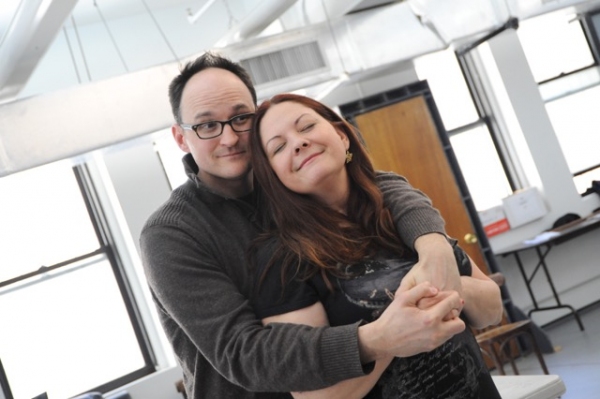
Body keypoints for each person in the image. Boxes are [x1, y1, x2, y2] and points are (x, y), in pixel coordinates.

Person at [139, 52, 466, 399]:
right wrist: (379, 338)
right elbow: (243, 354)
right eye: (207, 125)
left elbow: (373, 184)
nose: (230, 138)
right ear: (180, 137)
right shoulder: (170, 235)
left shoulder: (288, 183)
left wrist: (432, 240)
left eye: (240, 118)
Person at [249, 93, 504, 398]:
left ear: (342, 136)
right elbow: (313, 395)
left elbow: (492, 309)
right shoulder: (281, 256)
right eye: (278, 147)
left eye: (306, 127)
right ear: (272, 175)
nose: (298, 143)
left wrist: (444, 285)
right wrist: (393, 335)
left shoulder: (402, 211)